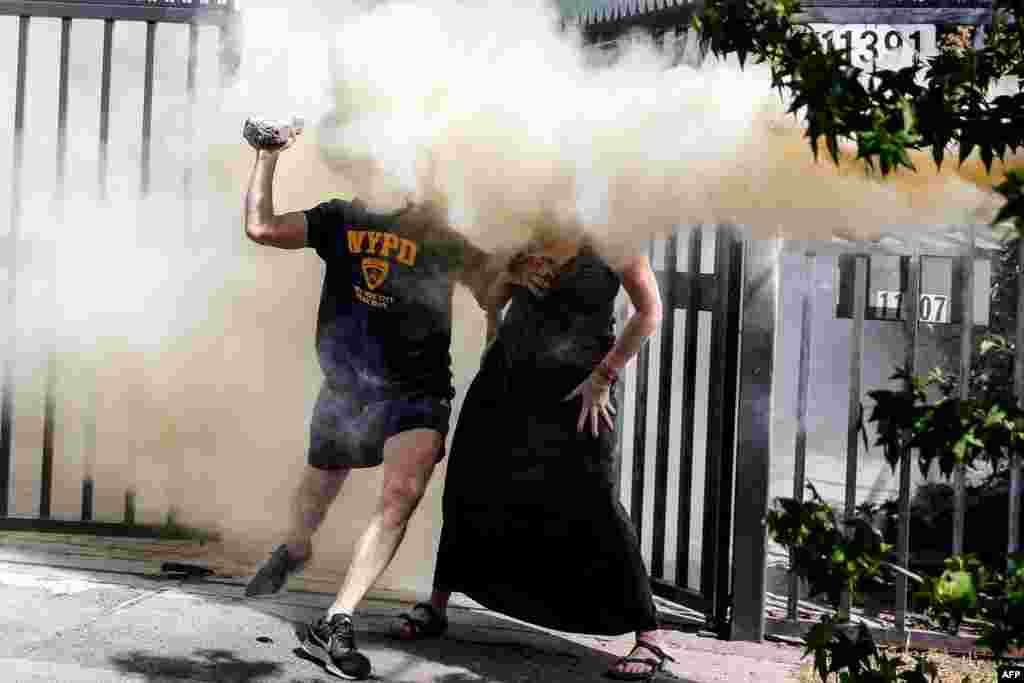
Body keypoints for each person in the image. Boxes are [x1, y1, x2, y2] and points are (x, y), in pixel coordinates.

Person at [241, 127, 492, 681]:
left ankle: (338, 617)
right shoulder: (340, 218)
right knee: (316, 497)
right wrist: (265, 157)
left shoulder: (441, 233)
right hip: (348, 387)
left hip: (419, 389)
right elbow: (261, 227)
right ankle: (295, 546)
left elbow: (495, 290)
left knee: (400, 495)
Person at [393, 224, 675, 682]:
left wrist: (604, 377)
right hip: (506, 378)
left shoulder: (614, 235)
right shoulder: (527, 228)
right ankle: (439, 604)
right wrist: (511, 274)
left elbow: (649, 313)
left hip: (580, 390)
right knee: (471, 483)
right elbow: (491, 299)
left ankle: (650, 636)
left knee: (592, 496)